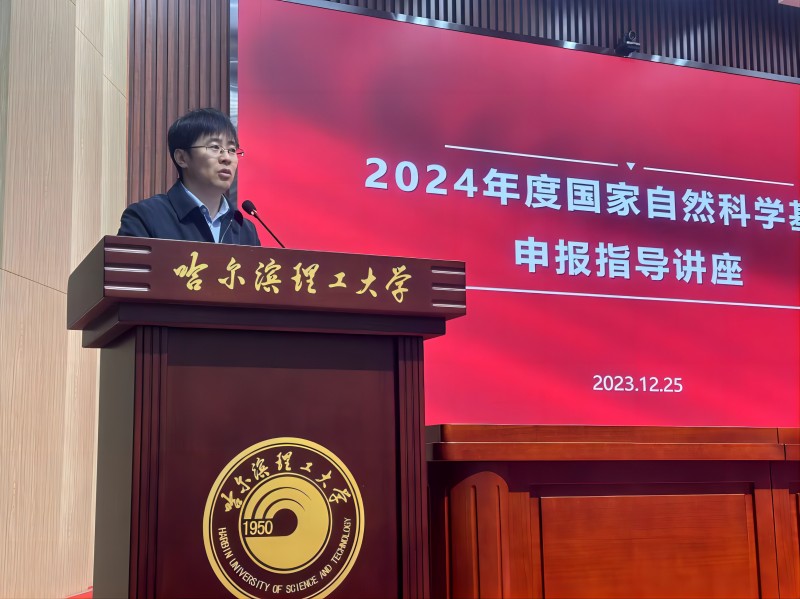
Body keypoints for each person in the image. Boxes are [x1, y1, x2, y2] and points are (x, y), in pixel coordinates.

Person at [118, 108, 260, 245]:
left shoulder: (246, 230)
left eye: (232, 149)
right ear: (182, 158)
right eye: (215, 147)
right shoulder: (145, 218)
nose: (227, 158)